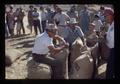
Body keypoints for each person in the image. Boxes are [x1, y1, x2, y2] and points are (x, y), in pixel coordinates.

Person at [104, 8, 114, 79]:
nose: (105, 17)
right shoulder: (110, 24)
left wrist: (104, 40)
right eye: (104, 16)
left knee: (110, 69)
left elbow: (111, 43)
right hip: (112, 50)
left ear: (111, 15)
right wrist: (106, 34)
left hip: (114, 50)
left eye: (106, 16)